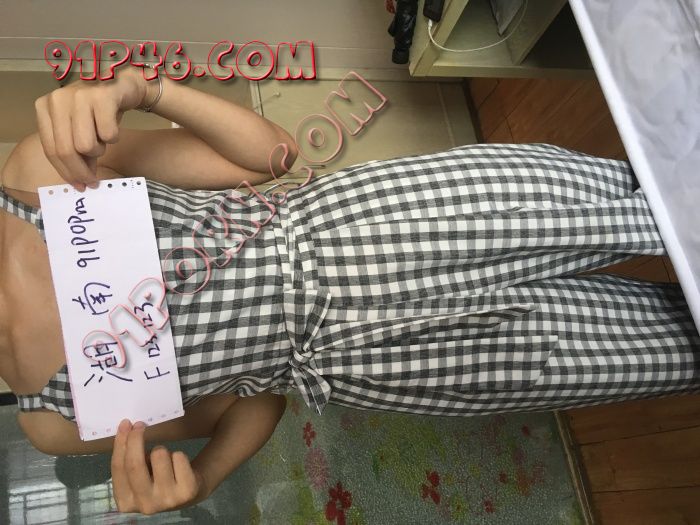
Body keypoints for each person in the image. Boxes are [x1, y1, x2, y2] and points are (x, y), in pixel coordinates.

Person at [1, 67, 698, 516]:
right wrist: (204, 478)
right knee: (661, 350)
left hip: (381, 222)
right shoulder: (50, 419)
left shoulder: (42, 171)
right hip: (393, 358)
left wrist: (143, 90)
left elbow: (273, 157)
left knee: (659, 202)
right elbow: (257, 400)